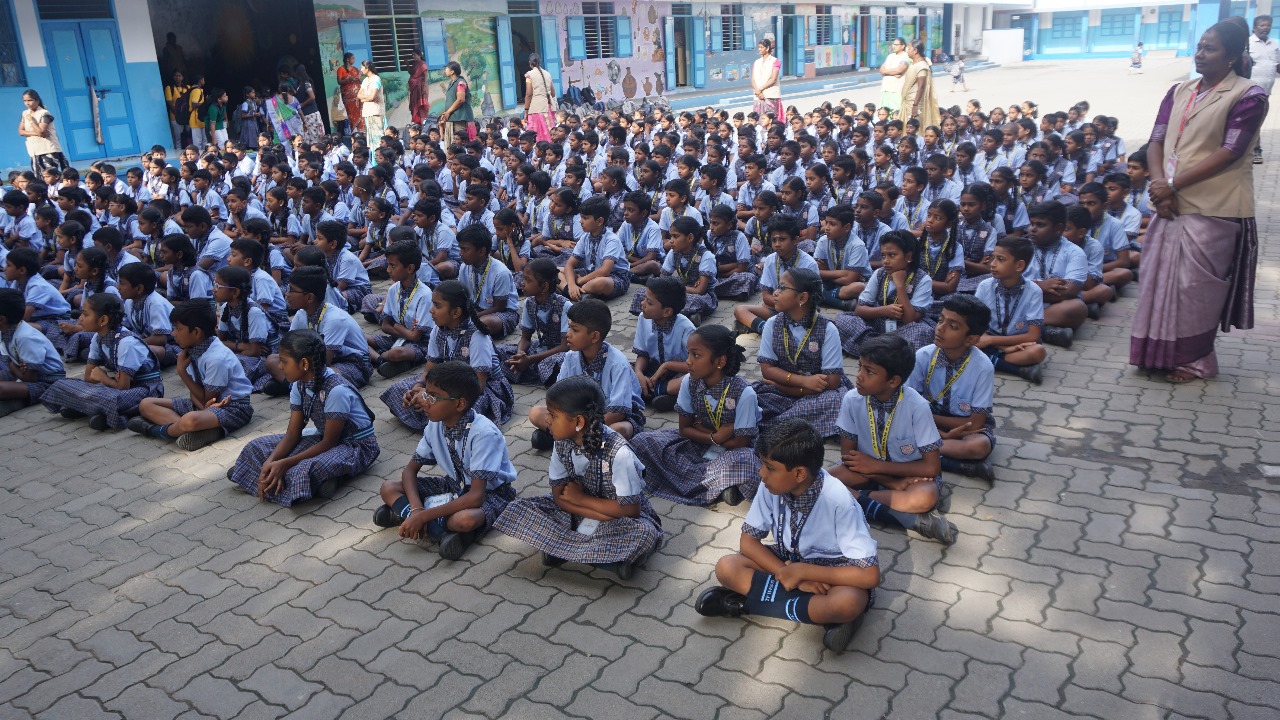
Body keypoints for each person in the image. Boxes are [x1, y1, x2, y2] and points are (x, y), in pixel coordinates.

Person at [1132, 20, 1268, 382]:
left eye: (1210, 49)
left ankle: (1196, 361)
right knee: (1158, 283)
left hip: (1213, 207)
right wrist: (1159, 184)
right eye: (1199, 46)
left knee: (1196, 289)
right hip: (1168, 203)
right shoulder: (1179, 90)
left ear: (1232, 57)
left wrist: (1171, 185)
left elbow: (1230, 151)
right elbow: (1157, 139)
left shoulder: (1249, 95)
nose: (1200, 54)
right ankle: (1157, 355)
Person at [695, 418, 879, 655]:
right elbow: (748, 542)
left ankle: (745, 604)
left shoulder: (839, 501)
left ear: (799, 473)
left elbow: (870, 575)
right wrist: (789, 574)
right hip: (788, 562)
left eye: (769, 467)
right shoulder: (771, 486)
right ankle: (825, 617)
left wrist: (805, 572)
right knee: (727, 567)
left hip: (833, 571)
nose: (761, 473)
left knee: (847, 602)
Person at [494, 375, 662, 580]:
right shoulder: (561, 442)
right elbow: (558, 497)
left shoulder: (619, 453)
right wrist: (586, 510)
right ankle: (606, 558)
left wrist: (580, 499)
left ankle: (561, 547)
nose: (547, 420)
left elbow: (630, 511)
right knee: (517, 509)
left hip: (620, 519)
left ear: (579, 421)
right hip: (587, 513)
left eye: (553, 415)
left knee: (643, 533)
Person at [374, 361, 518, 559]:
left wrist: (423, 515)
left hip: (490, 493)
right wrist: (417, 510)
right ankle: (436, 530)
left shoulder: (484, 434)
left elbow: (476, 497)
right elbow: (409, 472)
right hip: (453, 485)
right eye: (426, 394)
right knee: (388, 487)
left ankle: (411, 518)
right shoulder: (435, 425)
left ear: (459, 404)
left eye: (433, 397)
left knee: (464, 520)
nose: (425, 402)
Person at [829, 334, 956, 545]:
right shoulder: (852, 399)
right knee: (821, 480)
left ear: (893, 381)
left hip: (909, 474)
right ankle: (913, 521)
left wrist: (878, 468)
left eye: (869, 371)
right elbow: (848, 456)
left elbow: (931, 467)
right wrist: (888, 481)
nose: (859, 376)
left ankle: (852, 498)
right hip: (865, 472)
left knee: (925, 497)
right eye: (860, 367)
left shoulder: (917, 406)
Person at [228, 329, 380, 506]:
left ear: (304, 364)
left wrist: (284, 463)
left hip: (353, 445)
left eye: (284, 362)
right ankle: (276, 476)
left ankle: (259, 476)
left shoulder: (336, 390)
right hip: (323, 437)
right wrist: (270, 462)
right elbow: (293, 434)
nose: (280, 366)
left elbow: (329, 443)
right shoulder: (298, 385)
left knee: (303, 469)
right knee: (255, 447)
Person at [631, 324, 761, 506]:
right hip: (699, 441)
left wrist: (701, 429)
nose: (688, 361)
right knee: (641, 441)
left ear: (720, 362)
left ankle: (704, 482)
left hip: (731, 450)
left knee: (748, 462)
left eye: (696, 355)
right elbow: (684, 429)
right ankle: (720, 486)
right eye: (688, 354)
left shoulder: (744, 393)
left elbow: (741, 443)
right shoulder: (689, 382)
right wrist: (714, 437)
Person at [129, 300, 254, 450]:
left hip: (233, 408)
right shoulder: (193, 349)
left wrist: (182, 372)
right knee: (146, 404)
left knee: (190, 420)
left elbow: (208, 399)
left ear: (196, 332)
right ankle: (193, 430)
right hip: (204, 404)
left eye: (178, 329)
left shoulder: (216, 359)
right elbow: (199, 398)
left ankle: (157, 430)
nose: (173, 333)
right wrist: (203, 407)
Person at [40, 293, 164, 431]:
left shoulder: (127, 343)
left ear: (103, 320)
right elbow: (89, 377)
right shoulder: (97, 338)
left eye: (85, 314)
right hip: (115, 387)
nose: (80, 319)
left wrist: (103, 378)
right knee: (61, 384)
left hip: (144, 390)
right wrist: (103, 380)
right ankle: (105, 412)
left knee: (111, 399)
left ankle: (111, 414)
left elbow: (123, 387)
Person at [0, 287, 65, 417]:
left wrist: (12, 367)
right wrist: (13, 368)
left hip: (48, 384)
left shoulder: (26, 337)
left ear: (1, 319)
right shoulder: (5, 332)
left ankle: (18, 402)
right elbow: (12, 366)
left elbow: (30, 377)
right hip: (22, 375)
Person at [1248, 16, 1279, 163]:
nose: (1265, 28)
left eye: (1268, 25)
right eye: (1262, 25)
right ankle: (1255, 150)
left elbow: (1277, 65)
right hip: (1250, 90)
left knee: (1258, 120)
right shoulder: (1248, 44)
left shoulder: (1274, 44)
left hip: (1266, 91)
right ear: (1254, 28)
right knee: (1254, 120)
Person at [18, 90, 68, 176]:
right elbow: (21, 131)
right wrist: (36, 133)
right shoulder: (25, 113)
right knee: (38, 177)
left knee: (50, 176)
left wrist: (31, 120)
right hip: (34, 150)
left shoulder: (44, 113)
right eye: (25, 101)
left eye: (30, 100)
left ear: (37, 100)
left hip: (48, 150)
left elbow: (41, 131)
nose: (27, 103)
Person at [899, 40, 939, 129]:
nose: (907, 51)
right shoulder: (912, 64)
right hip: (908, 100)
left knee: (913, 127)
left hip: (914, 102)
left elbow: (921, 86)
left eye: (909, 49)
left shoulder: (922, 66)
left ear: (915, 50)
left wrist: (915, 105)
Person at [440, 62, 476, 145]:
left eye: (446, 69)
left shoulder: (460, 83)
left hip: (460, 118)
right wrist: (446, 113)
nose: (445, 71)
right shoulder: (452, 83)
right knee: (453, 143)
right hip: (453, 117)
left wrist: (448, 112)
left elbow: (460, 100)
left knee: (460, 142)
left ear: (452, 71)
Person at [524, 53, 557, 143]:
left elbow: (529, 94)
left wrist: (526, 110)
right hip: (547, 107)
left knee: (535, 134)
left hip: (536, 108)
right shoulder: (547, 74)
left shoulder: (529, 75)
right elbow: (553, 93)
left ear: (530, 63)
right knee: (549, 132)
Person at [291, 64, 324, 145]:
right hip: (305, 115)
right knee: (308, 138)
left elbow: (312, 97)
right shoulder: (299, 84)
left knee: (315, 138)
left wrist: (302, 104)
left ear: (297, 72)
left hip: (311, 114)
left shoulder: (306, 83)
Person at [751, 39, 783, 119]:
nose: (759, 49)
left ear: (767, 48)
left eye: (761, 47)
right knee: (758, 119)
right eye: (759, 47)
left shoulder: (775, 61)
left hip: (770, 95)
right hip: (758, 96)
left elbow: (773, 79)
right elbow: (753, 80)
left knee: (771, 119)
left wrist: (760, 89)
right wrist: (758, 92)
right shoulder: (757, 62)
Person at [878, 38, 910, 115]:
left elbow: (899, 70)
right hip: (886, 89)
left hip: (896, 89)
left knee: (895, 112)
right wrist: (892, 72)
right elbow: (882, 70)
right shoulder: (890, 56)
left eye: (896, 45)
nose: (894, 46)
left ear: (903, 46)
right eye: (893, 44)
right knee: (884, 112)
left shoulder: (905, 56)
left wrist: (886, 72)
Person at [337, 53, 365, 135]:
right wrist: (348, 80)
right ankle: (354, 132)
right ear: (347, 59)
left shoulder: (355, 69)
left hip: (358, 96)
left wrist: (358, 79)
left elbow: (360, 81)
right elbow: (339, 81)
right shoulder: (341, 69)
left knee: (360, 112)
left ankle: (361, 131)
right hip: (348, 97)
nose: (354, 60)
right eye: (352, 58)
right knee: (350, 113)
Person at [359, 61, 386, 142]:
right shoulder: (365, 80)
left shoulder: (376, 79)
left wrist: (364, 99)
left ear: (367, 68)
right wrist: (368, 97)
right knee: (370, 137)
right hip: (367, 111)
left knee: (378, 136)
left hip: (375, 111)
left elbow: (372, 96)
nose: (361, 69)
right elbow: (358, 95)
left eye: (362, 67)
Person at [408, 50, 430, 126]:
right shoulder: (415, 64)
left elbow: (425, 76)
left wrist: (424, 86)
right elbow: (411, 73)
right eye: (412, 55)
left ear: (419, 55)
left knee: (421, 105)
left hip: (421, 87)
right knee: (414, 104)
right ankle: (417, 123)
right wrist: (407, 64)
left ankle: (423, 123)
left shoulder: (422, 64)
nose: (413, 56)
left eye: (414, 55)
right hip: (414, 87)